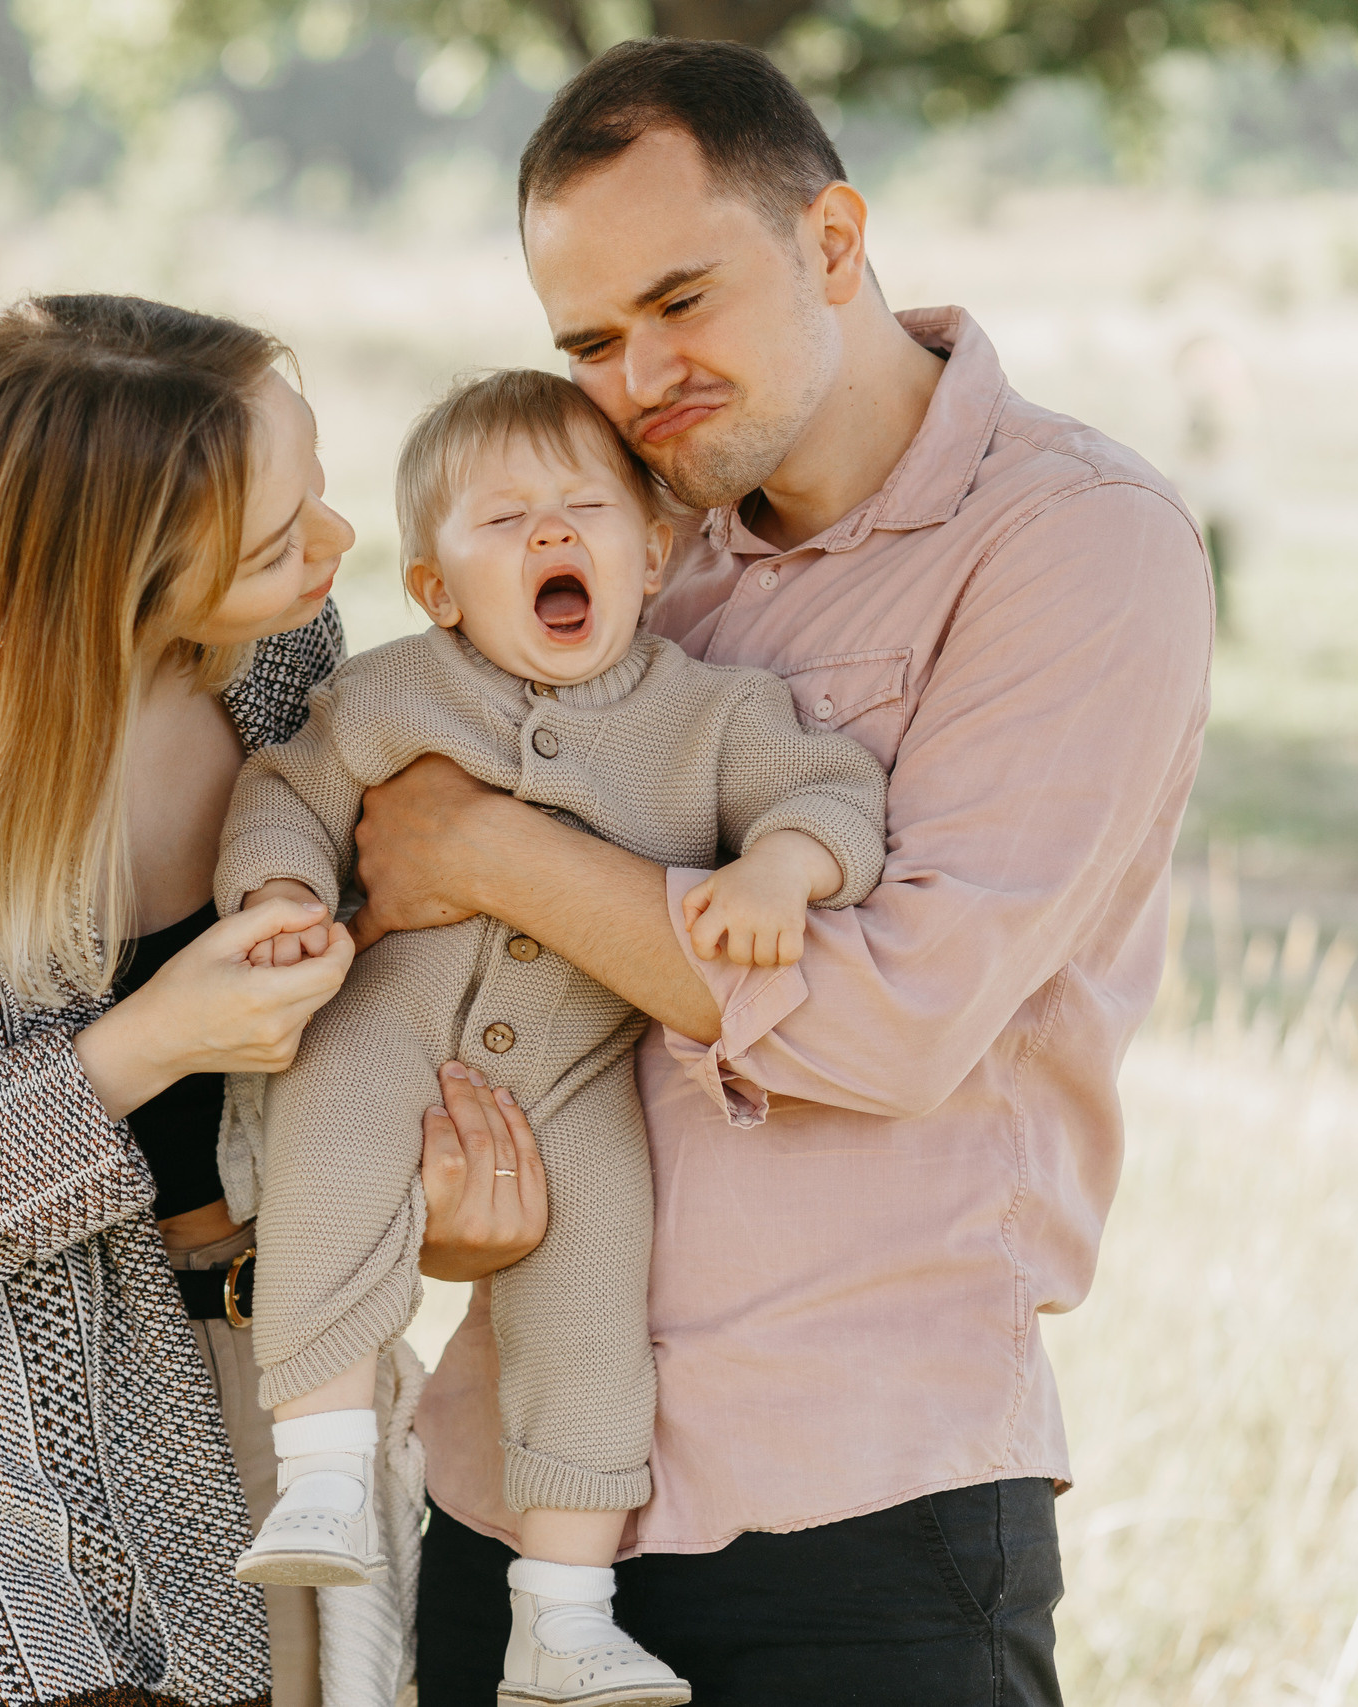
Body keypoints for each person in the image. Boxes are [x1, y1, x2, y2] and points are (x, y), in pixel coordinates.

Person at [360, 42, 1213, 1707]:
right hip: (521, 1502)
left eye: (682, 300)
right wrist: (447, 1211)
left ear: (833, 239)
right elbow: (456, 984)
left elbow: (891, 1024)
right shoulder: (614, 557)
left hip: (859, 1517)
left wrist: (492, 850)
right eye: (590, 341)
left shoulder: (1078, 544)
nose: (640, 375)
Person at [0, 294, 549, 1707]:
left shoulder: (287, 674)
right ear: (107, 578)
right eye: (276, 543)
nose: (337, 547)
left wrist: (445, 1205)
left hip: (290, 1400)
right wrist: (136, 1049)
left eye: (312, 494)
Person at [216, 369, 887, 1707]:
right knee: (328, 1142)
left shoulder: (710, 717)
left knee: (595, 1298)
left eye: (584, 507)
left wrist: (785, 870)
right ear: (437, 590)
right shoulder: (399, 692)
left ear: (654, 553)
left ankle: (567, 1616)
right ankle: (329, 1479)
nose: (549, 536)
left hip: (580, 1077)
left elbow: (832, 788)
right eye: (503, 519)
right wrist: (283, 892)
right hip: (388, 1021)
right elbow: (286, 789)